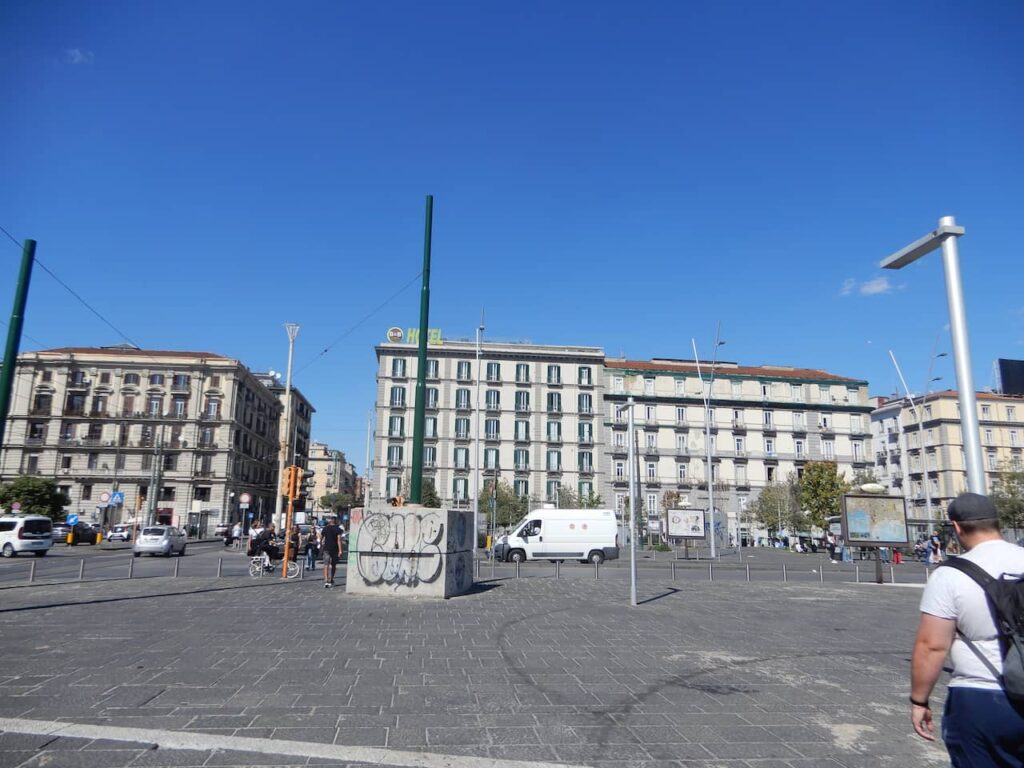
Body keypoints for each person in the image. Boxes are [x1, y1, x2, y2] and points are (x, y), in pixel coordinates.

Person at [910, 492, 1024, 765]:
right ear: (997, 522)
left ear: (958, 527)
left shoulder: (950, 575)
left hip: (982, 696)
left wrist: (919, 701)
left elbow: (932, 646)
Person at [320, 515, 344, 588]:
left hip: (326, 548)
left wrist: (321, 544)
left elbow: (321, 537)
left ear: (330, 520)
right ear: (335, 521)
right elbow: (339, 540)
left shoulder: (325, 528)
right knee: (333, 565)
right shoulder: (338, 529)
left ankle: (326, 580)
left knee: (326, 564)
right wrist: (340, 550)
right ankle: (331, 579)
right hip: (334, 549)